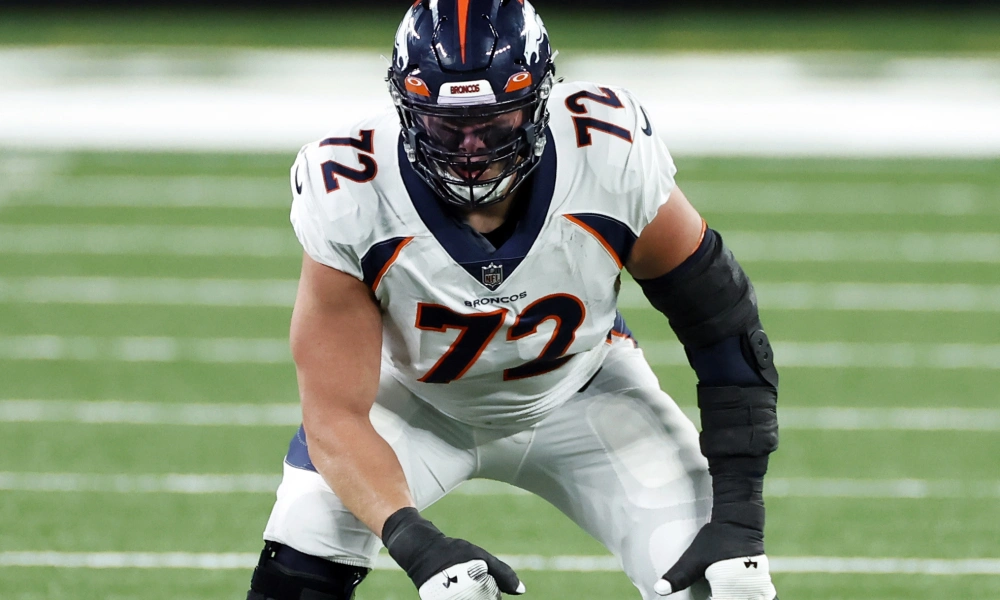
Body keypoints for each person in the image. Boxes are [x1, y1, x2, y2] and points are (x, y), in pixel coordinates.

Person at [246, 1, 780, 599]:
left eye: (494, 123)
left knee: (728, 582)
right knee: (306, 532)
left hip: (584, 390)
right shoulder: (352, 190)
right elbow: (334, 416)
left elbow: (724, 328)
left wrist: (739, 520)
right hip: (417, 404)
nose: (471, 150)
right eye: (447, 126)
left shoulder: (607, 153)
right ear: (407, 110)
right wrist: (419, 546)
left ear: (539, 100)